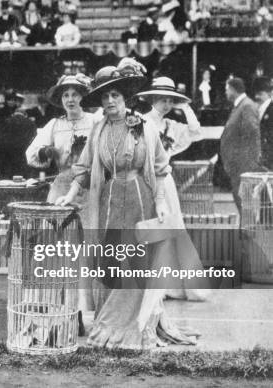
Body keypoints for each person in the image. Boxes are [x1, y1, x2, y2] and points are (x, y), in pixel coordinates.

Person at [56, 58, 197, 349]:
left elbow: (159, 167)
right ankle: (108, 324)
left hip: (139, 197)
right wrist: (70, 195)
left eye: (115, 95)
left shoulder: (144, 127)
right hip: (108, 199)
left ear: (124, 98)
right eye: (105, 96)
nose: (110, 101)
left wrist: (159, 203)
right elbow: (83, 169)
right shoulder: (97, 129)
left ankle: (134, 325)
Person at [136, 76, 209, 301]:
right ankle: (146, 283)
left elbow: (196, 132)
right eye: (162, 99)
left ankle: (169, 285)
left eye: (170, 100)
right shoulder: (140, 121)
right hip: (142, 178)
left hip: (164, 181)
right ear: (152, 99)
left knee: (171, 228)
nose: (166, 105)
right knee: (146, 227)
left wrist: (185, 107)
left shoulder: (171, 125)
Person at [26, 74, 95, 203]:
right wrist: (45, 152)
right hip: (62, 185)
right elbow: (30, 154)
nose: (70, 100)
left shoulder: (94, 121)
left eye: (75, 94)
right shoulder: (55, 124)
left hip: (90, 185)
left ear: (82, 97)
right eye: (66, 95)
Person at [221, 77, 264, 212]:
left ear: (234, 90)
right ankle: (245, 229)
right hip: (238, 163)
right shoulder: (241, 106)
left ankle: (247, 230)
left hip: (243, 164)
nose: (226, 93)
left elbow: (251, 133)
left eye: (227, 89)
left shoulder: (246, 106)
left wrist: (245, 160)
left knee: (244, 199)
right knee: (240, 198)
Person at [253, 77, 273, 170]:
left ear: (269, 93)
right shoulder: (258, 109)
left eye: (260, 94)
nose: (257, 97)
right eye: (256, 93)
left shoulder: (271, 110)